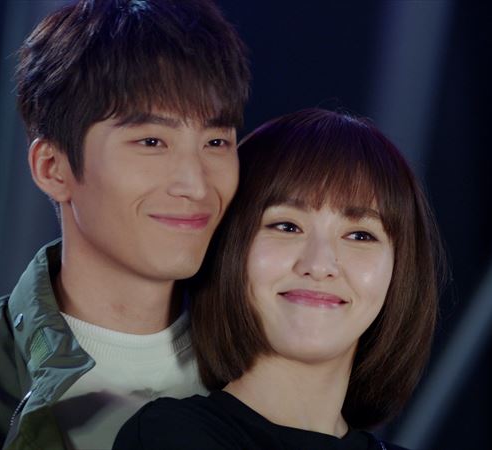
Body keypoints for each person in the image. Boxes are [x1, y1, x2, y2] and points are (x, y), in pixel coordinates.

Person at [0, 0, 249, 449]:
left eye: (216, 142)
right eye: (151, 141)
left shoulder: (268, 352)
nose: (196, 185)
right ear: (52, 168)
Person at [114, 108, 443, 449]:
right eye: (287, 226)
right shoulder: (169, 436)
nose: (319, 265)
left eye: (360, 235)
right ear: (229, 248)